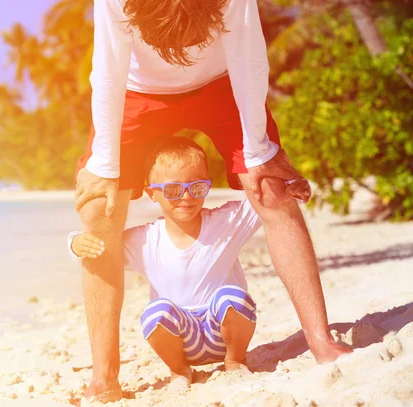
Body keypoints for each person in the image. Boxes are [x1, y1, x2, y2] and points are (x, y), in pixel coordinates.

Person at [73, 0, 352, 401]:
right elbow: (109, 69)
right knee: (99, 209)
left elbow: (250, 59)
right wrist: (103, 163)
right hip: (138, 91)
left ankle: (321, 340)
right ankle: (104, 375)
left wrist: (258, 153)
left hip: (220, 81)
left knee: (269, 189)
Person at [70, 138, 261, 392]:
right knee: (155, 312)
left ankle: (235, 361)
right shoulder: (146, 240)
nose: (186, 197)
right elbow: (103, 249)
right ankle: (180, 371)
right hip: (181, 339)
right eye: (172, 190)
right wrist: (74, 243)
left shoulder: (225, 223)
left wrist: (292, 184)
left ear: (207, 186)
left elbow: (265, 200)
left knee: (233, 298)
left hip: (224, 332)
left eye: (197, 188)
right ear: (152, 194)